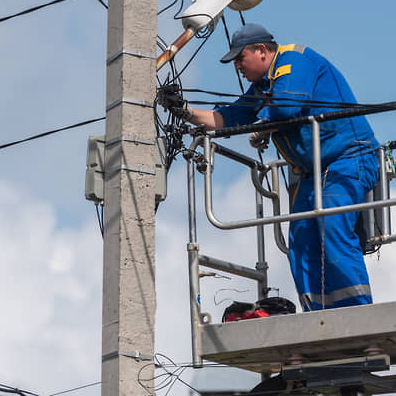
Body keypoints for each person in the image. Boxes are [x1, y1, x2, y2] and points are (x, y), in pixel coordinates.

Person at [160, 23, 379, 311]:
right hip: (311, 171)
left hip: (347, 158)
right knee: (300, 240)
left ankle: (360, 311)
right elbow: (228, 117)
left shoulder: (294, 60)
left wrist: (263, 125)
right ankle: (319, 315)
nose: (237, 66)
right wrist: (185, 111)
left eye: (240, 58)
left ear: (262, 51)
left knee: (332, 224)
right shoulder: (264, 87)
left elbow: (287, 106)